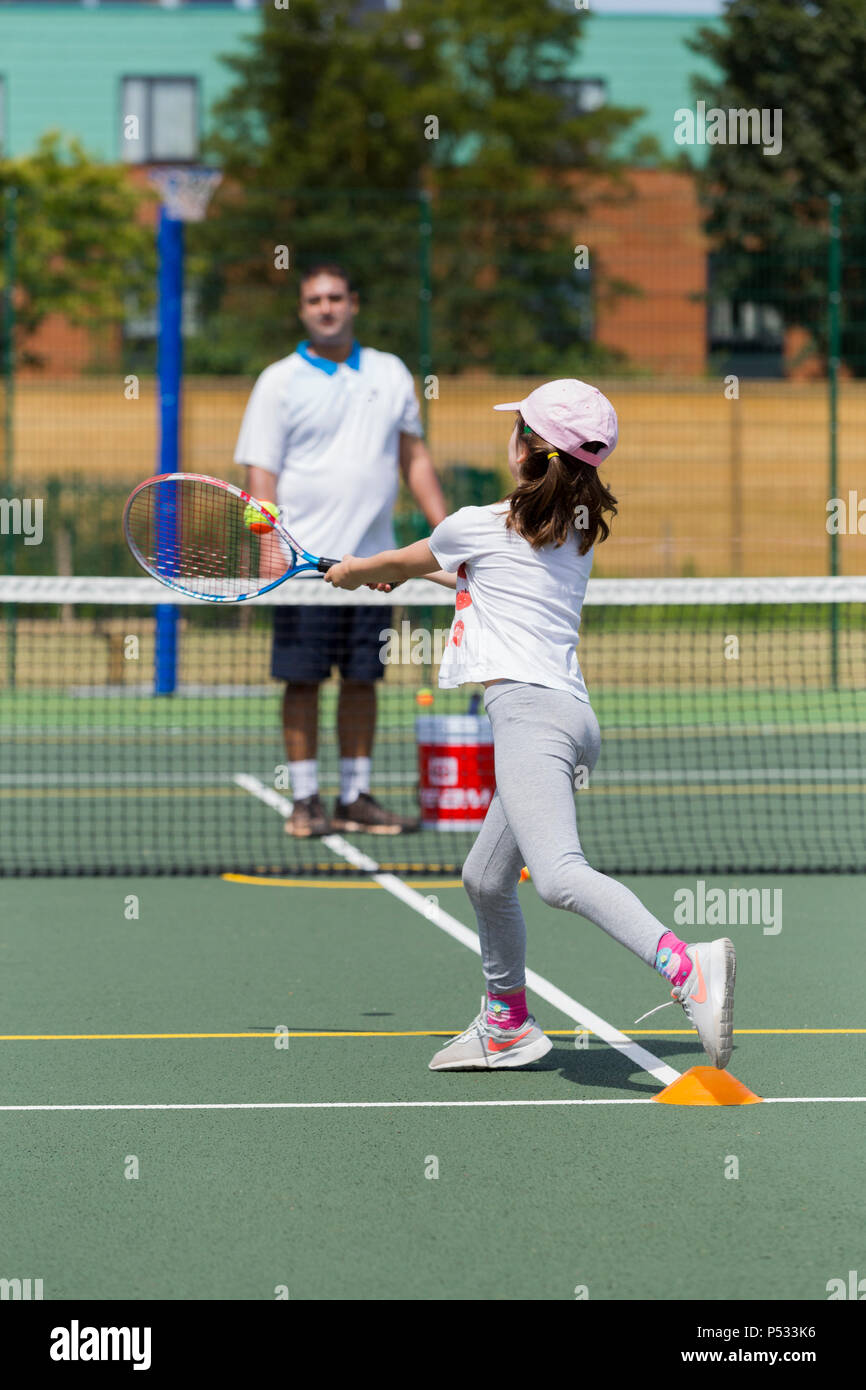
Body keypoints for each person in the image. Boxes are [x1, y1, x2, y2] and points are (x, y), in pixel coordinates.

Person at [324, 378, 736, 1072]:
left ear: (524, 450)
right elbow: (489, 582)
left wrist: (356, 570)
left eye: (515, 426)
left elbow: (401, 559)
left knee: (557, 877)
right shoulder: (574, 531)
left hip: (530, 721)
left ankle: (687, 965)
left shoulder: (472, 525)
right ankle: (507, 1024)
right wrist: (408, 576)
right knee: (487, 878)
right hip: (572, 721)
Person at [234, 263, 447, 837]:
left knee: (363, 681)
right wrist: (270, 551)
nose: (325, 307)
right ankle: (306, 799)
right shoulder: (278, 380)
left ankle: (355, 797)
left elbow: (414, 457)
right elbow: (262, 472)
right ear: (302, 309)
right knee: (302, 682)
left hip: (375, 565)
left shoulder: (391, 372)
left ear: (354, 302)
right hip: (302, 567)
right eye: (314, 300)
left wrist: (448, 535)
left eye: (335, 297)